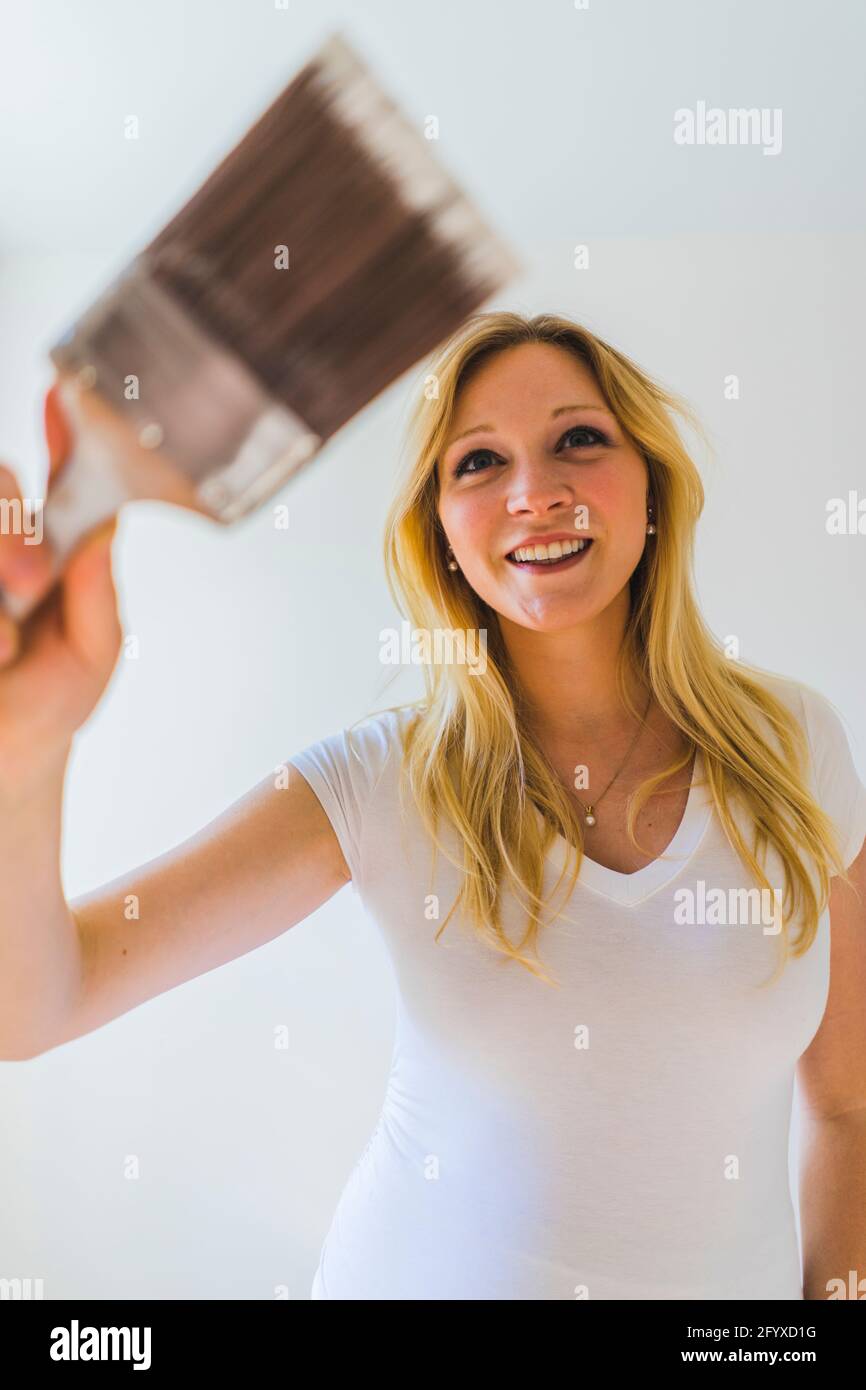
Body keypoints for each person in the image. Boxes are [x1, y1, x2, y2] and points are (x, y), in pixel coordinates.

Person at [1, 311, 864, 1301]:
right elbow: (36, 1004)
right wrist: (24, 757)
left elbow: (847, 1104)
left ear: (653, 489)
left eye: (577, 439)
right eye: (478, 463)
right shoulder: (378, 780)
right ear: (442, 533)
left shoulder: (797, 746)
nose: (534, 493)